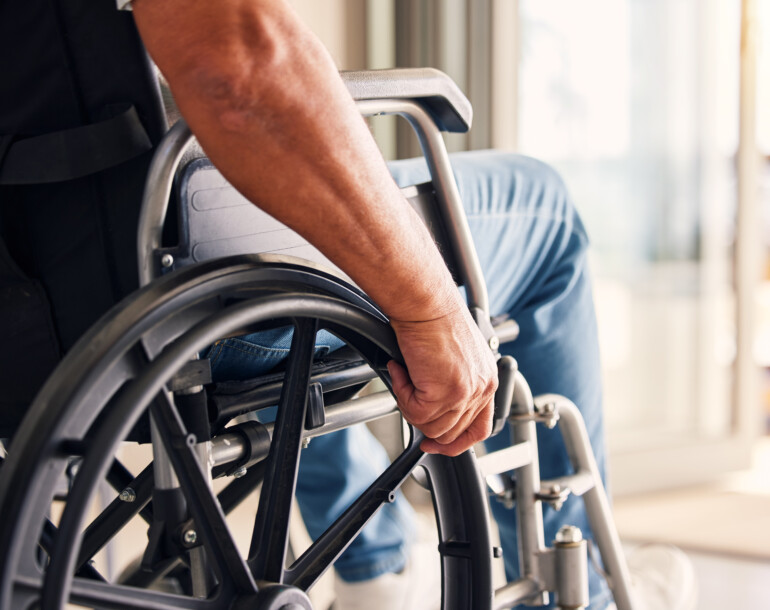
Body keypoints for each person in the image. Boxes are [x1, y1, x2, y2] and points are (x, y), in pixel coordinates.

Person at [0, 0, 695, 608]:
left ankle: (378, 563)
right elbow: (235, 62)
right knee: (543, 209)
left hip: (22, 320)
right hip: (137, 297)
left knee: (273, 266)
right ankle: (581, 599)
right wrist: (431, 306)